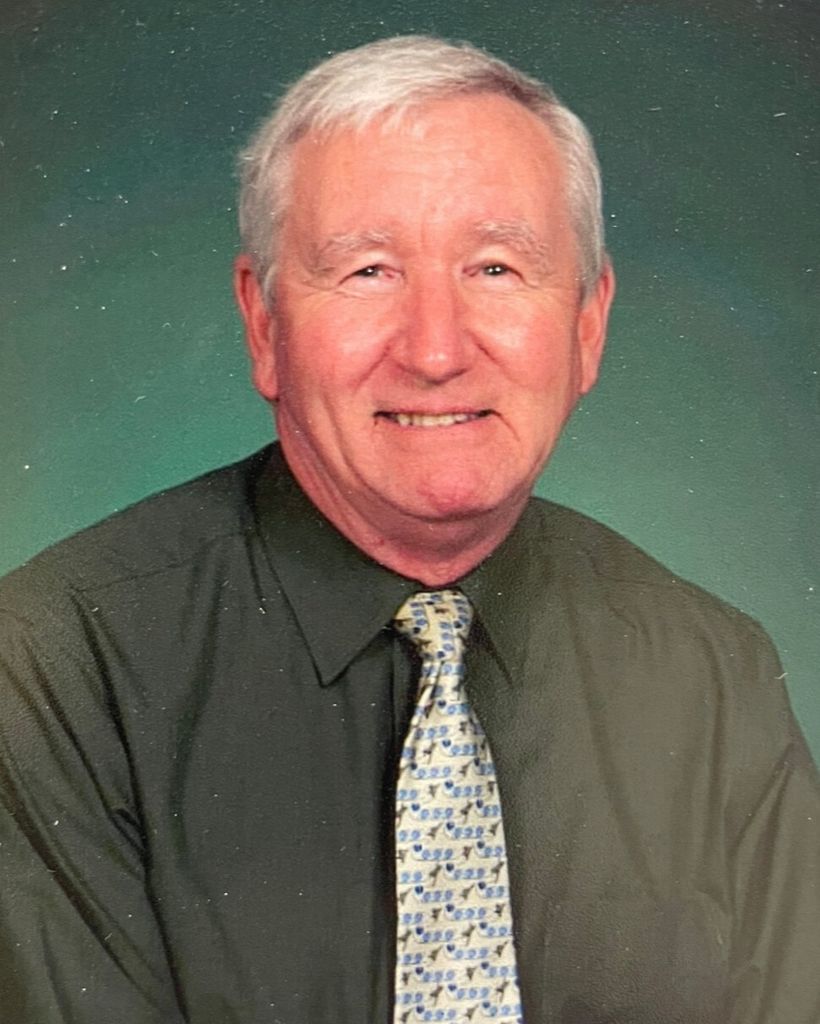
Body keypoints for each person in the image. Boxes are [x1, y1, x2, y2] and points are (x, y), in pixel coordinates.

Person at [0, 35, 818, 1024]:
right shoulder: (54, 667)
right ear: (263, 323)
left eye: (496, 268)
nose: (435, 350)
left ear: (587, 325)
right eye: (369, 271)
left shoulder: (711, 671)